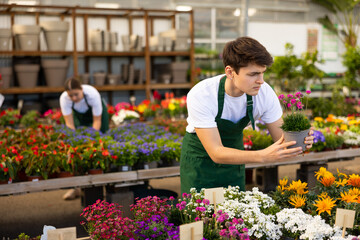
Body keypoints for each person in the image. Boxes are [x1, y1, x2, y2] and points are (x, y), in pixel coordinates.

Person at [180, 37, 314, 194]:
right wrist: (263, 156)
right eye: (253, 74)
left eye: (263, 73)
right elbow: (216, 152)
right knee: (199, 214)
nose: (261, 81)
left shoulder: (264, 93)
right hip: (200, 162)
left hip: (234, 163)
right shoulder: (203, 94)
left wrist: (300, 140)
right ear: (230, 72)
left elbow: (281, 139)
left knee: (235, 213)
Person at [59, 77, 109, 200]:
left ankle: (104, 184)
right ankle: (75, 188)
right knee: (75, 151)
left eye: (76, 94)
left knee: (100, 147)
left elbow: (97, 121)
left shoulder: (92, 94)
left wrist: (91, 140)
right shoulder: (64, 99)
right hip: (79, 119)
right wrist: (76, 140)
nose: (74, 98)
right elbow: (69, 124)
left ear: (81, 89)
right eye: (71, 96)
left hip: (97, 120)